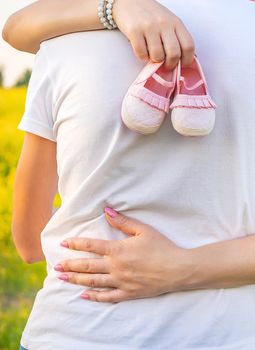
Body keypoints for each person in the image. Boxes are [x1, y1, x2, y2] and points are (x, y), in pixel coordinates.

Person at [3, 0, 255, 349]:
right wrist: (187, 266)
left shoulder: (62, 42)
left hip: (77, 333)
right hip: (233, 336)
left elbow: (30, 241)